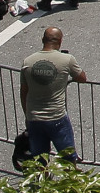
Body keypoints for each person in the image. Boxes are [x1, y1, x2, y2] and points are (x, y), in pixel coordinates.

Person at [20, 26, 87, 161]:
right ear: (60, 42)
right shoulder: (67, 60)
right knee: (68, 159)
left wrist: (27, 114)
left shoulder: (27, 62)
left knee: (39, 160)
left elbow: (23, 92)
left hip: (34, 118)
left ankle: (43, 181)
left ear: (42, 40)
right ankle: (70, 181)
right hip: (57, 118)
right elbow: (82, 78)